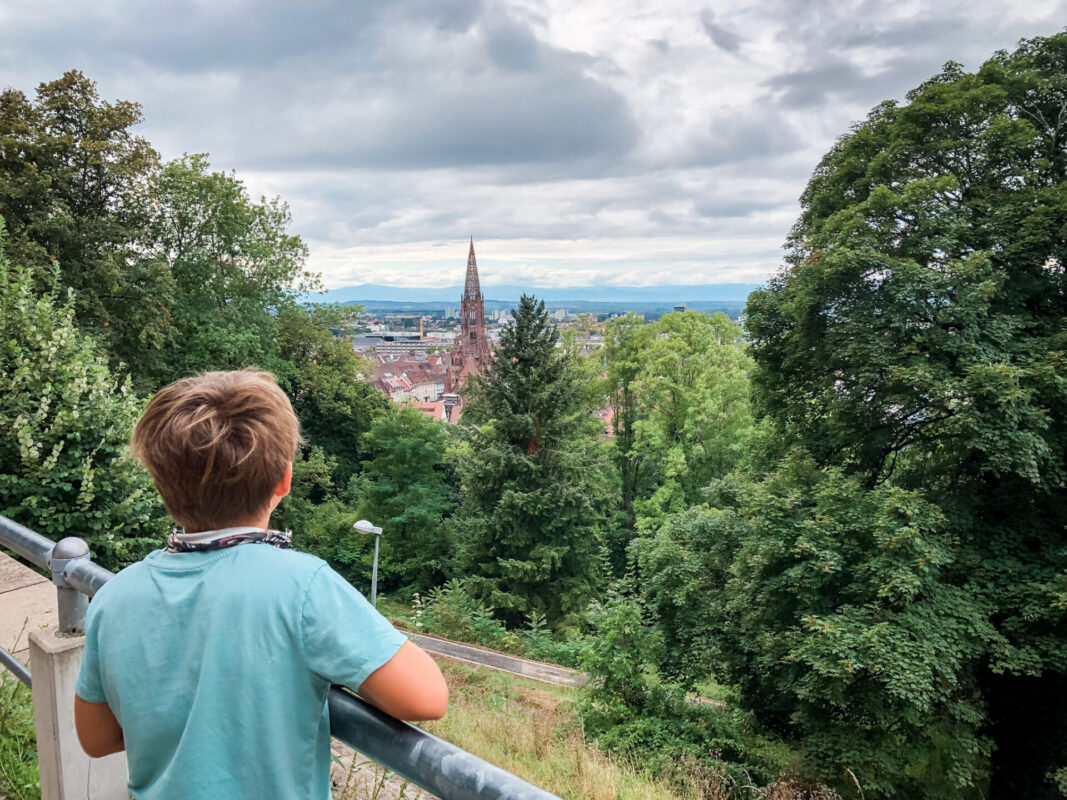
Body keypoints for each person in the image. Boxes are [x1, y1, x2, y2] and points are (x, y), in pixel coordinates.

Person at [73, 370, 448, 799]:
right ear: (284, 480)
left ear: (161, 485)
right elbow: (427, 697)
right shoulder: (302, 587)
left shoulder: (115, 598)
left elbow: (96, 738)